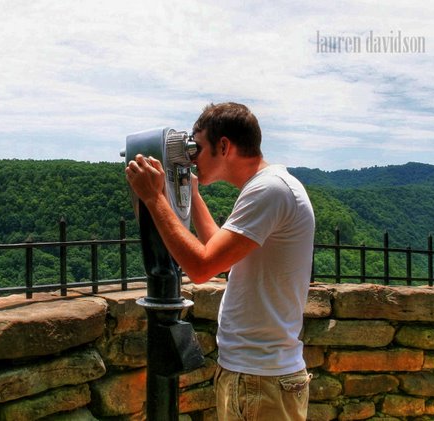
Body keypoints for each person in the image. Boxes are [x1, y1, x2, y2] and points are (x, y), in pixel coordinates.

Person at [125, 102, 315, 420]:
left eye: (196, 147)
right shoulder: (268, 187)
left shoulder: (270, 190)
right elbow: (219, 253)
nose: (192, 157)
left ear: (224, 145)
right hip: (253, 373)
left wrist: (154, 198)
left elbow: (202, 266)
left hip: (261, 377)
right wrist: (192, 192)